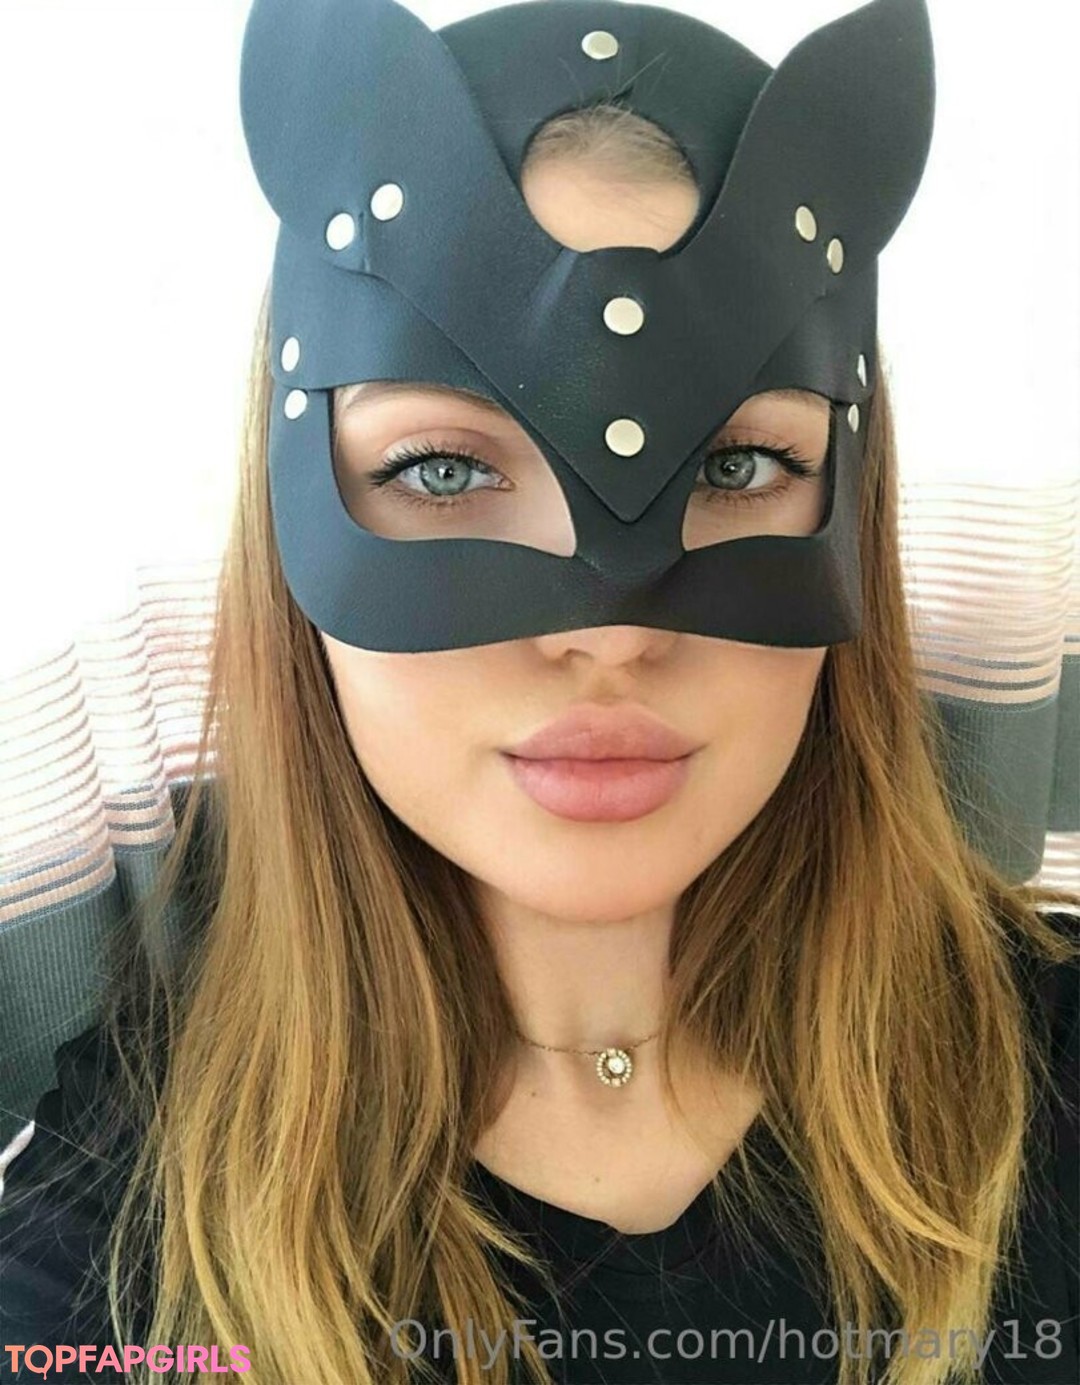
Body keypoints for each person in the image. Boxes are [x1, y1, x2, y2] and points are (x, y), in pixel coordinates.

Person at [1, 1, 1078, 1383]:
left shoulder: (1045, 1080)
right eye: (444, 470)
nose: (610, 638)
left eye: (735, 466)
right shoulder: (120, 1242)